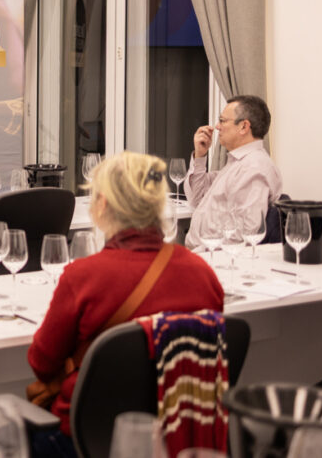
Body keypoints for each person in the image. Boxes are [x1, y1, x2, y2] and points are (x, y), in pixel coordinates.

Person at [27, 152, 224, 457]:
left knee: (5, 430)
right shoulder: (203, 274)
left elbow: (41, 364)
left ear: (103, 205)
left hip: (83, 439)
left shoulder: (84, 276)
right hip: (177, 438)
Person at [184, 95, 283, 248]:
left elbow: (243, 235)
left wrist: (196, 256)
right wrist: (200, 156)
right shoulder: (237, 163)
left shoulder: (254, 168)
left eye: (222, 121)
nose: (217, 126)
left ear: (244, 127)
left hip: (212, 258)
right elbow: (197, 199)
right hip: (199, 254)